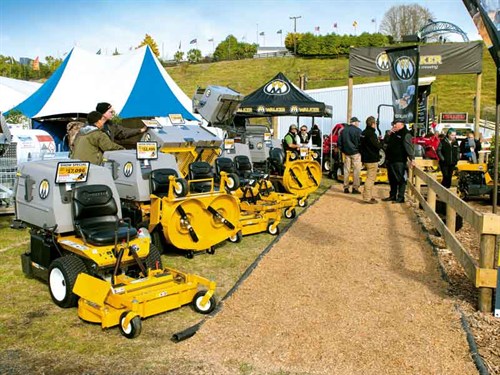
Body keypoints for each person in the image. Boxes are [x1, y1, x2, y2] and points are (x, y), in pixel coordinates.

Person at [383, 120, 415, 203]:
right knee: (392, 179)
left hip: (399, 160)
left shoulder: (406, 134)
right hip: (390, 159)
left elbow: (409, 148)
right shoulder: (393, 133)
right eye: (393, 124)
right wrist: (389, 133)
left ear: (401, 124)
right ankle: (392, 195)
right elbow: (385, 141)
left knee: (400, 178)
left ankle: (401, 197)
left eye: (395, 124)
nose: (394, 125)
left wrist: (412, 159)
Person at [359, 116, 382, 204]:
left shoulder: (363, 133)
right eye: (375, 123)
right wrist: (381, 143)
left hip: (365, 158)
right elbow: (376, 146)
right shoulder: (372, 134)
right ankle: (367, 197)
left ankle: (368, 196)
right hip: (372, 159)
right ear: (373, 124)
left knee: (369, 177)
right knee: (370, 178)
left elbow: (361, 146)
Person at [337, 116, 362, 194]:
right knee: (356, 171)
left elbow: (339, 142)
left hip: (346, 153)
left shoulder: (343, 131)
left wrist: (343, 150)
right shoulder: (358, 131)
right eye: (357, 122)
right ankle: (355, 188)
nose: (358, 123)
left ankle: (346, 188)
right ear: (355, 122)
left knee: (346, 170)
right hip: (356, 153)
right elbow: (360, 142)